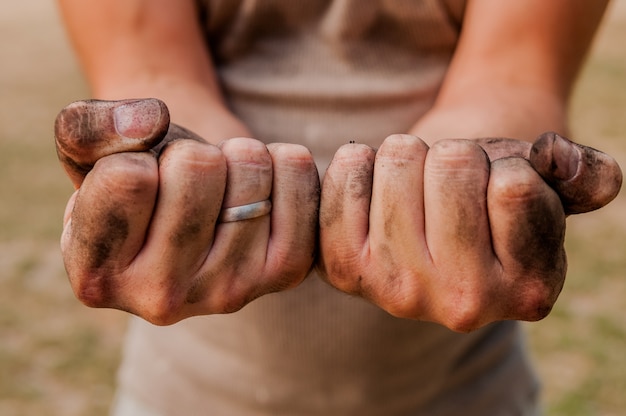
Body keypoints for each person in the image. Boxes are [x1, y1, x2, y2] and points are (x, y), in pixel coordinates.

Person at [54, 0, 622, 414]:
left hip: (469, 397)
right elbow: (149, 72)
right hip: (179, 397)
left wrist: (478, 176)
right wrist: (168, 168)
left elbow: (517, 74)